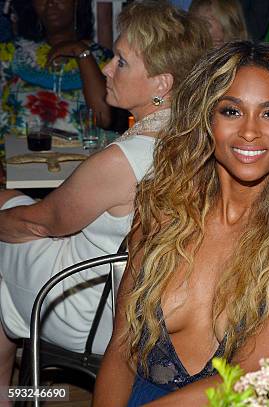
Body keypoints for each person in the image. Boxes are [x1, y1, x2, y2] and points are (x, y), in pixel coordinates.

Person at [93, 41, 269, 406]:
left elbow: (249, 379)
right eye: (231, 111)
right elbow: (121, 348)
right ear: (207, 118)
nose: (250, 131)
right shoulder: (163, 208)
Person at [0, 0, 209, 393]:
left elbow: (41, 222)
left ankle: (15, 394)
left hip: (89, 310)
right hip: (144, 309)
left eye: (121, 61)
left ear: (162, 83)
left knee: (10, 214)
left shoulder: (124, 159)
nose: (107, 68)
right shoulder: (197, 141)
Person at [0, 0, 113, 169]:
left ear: (77, 3)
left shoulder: (102, 59)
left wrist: (81, 52)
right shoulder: (10, 53)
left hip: (79, 171)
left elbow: (102, 117)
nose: (50, 3)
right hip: (11, 169)